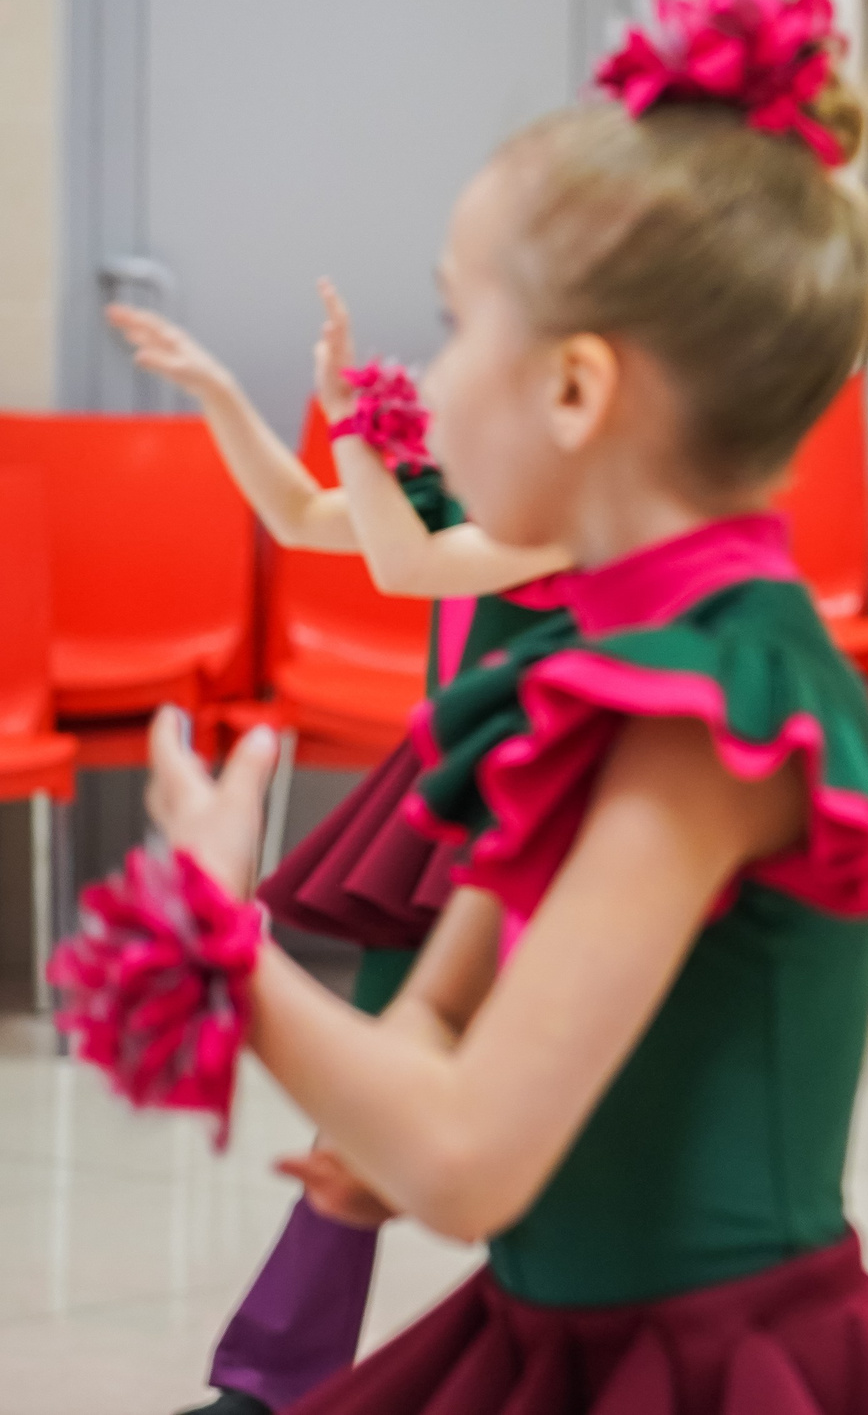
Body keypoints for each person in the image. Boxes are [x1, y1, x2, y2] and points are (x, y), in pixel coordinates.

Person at [68, 0, 868, 1415]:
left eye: (459, 325)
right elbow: (433, 1031)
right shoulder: (594, 679)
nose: (428, 382)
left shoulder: (712, 713)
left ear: (577, 387)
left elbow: (464, 1159)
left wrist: (219, 927)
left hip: (709, 1369)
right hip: (554, 1333)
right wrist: (368, 1098)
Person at [112, 288, 571, 1415]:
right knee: (365, 1095)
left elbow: (405, 566)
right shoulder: (480, 486)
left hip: (545, 809)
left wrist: (356, 422)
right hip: (450, 810)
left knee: (555, 1108)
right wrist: (226, 393)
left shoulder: (575, 511)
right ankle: (272, 1381)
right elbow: (299, 515)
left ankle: (574, 1356)